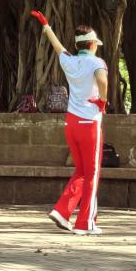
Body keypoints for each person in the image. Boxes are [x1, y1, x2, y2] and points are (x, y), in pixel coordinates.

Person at [32, 15, 107, 234]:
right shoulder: (97, 62)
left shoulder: (69, 61)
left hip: (72, 122)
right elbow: (102, 80)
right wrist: (103, 100)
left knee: (82, 171)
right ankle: (86, 223)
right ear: (92, 44)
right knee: (92, 173)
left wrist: (47, 27)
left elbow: (58, 47)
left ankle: (62, 211)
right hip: (90, 122)